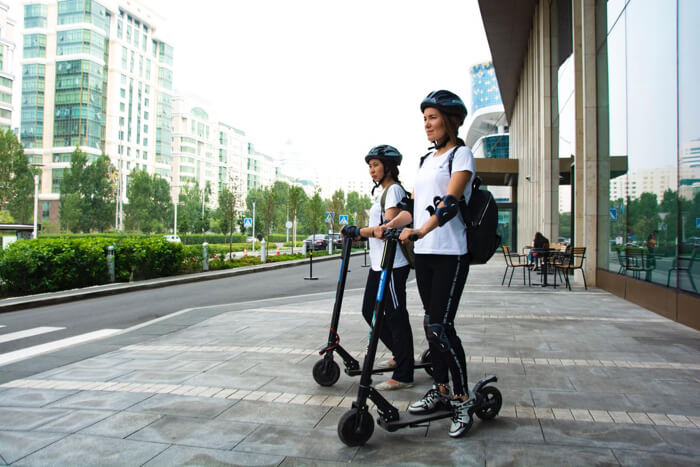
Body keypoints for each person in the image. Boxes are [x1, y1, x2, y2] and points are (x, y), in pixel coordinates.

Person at [383, 90, 476, 438]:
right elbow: (413, 206)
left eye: (433, 117)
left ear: (450, 121)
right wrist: (391, 225)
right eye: (424, 118)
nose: (427, 124)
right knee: (429, 326)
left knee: (441, 326)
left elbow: (450, 202)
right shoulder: (425, 161)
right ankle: (440, 392)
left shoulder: (461, 155)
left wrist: (420, 230)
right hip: (426, 254)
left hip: (451, 252)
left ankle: (462, 399)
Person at [342, 145, 415, 390]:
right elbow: (376, 231)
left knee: (396, 315)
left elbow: (386, 231)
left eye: (375, 165)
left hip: (393, 265)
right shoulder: (383, 192)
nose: (372, 170)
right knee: (368, 310)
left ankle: (404, 373)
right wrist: (359, 234)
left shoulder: (393, 191)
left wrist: (359, 231)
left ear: (389, 167)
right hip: (379, 264)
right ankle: (399, 352)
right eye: (370, 166)